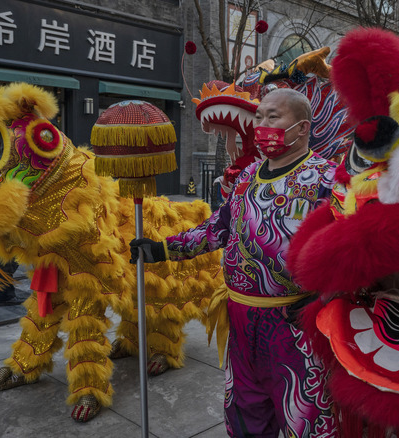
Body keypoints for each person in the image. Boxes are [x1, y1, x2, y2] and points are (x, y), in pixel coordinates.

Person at [130, 88, 337, 437]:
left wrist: (326, 298)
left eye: (274, 117)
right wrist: (162, 250)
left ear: (302, 128)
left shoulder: (327, 179)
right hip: (240, 320)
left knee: (304, 416)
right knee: (246, 410)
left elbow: (351, 250)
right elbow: (219, 228)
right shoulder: (247, 176)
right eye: (260, 117)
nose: (263, 126)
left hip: (295, 324)